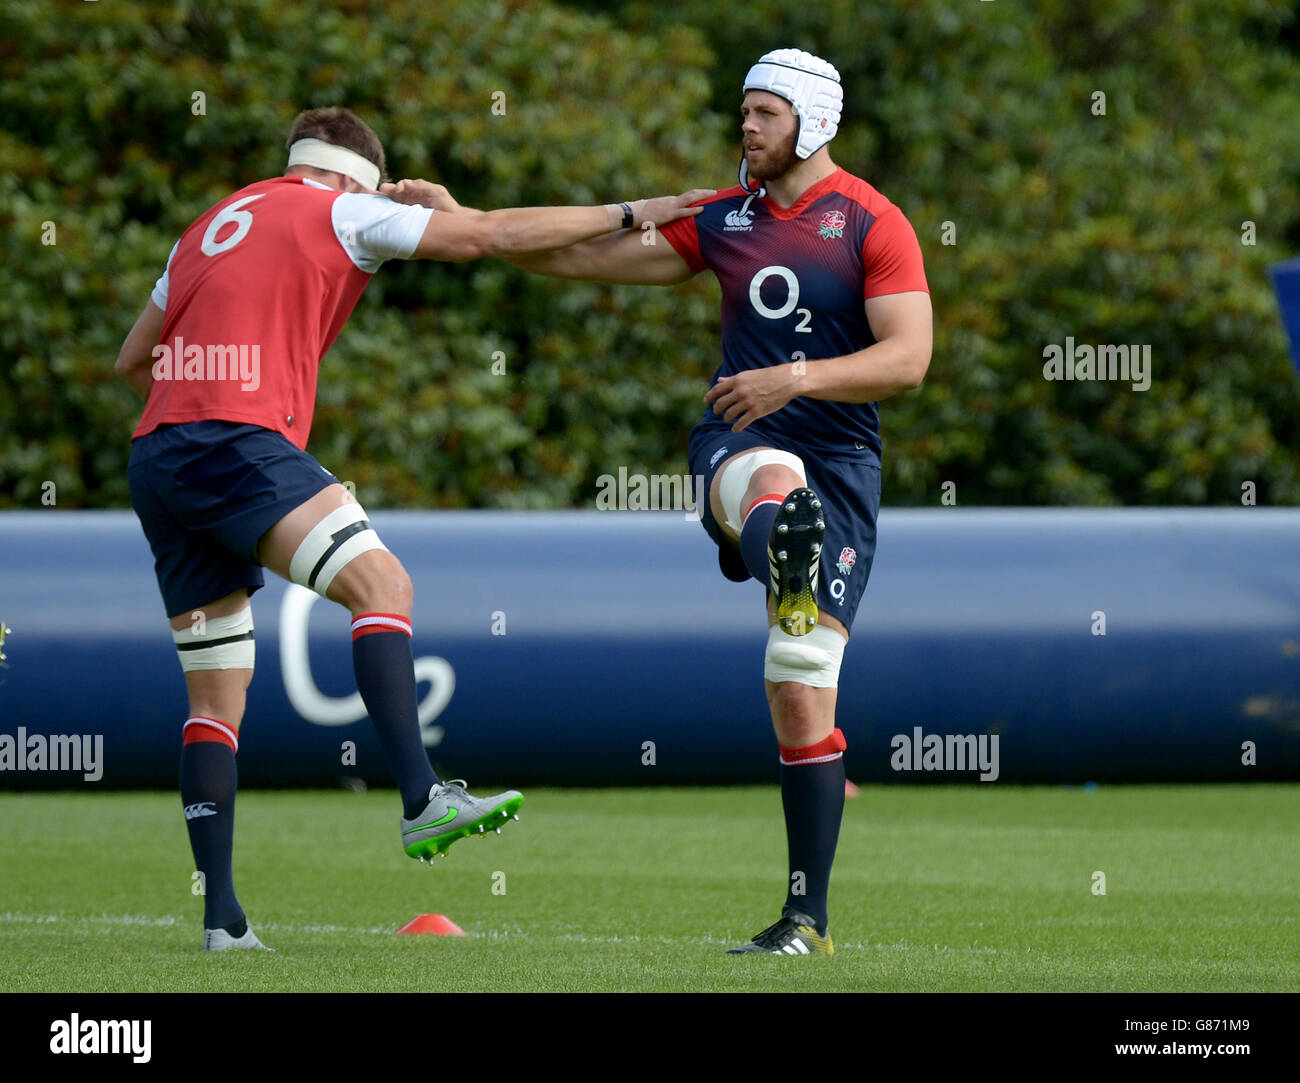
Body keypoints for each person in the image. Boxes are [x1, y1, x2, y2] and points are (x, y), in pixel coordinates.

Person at [114, 106, 709, 951]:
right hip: (235, 439)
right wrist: (631, 212)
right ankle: (423, 798)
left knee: (214, 703)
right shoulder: (343, 211)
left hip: (158, 457)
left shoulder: (207, 225)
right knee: (382, 585)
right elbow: (495, 237)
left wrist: (192, 426)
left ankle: (224, 923)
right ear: (358, 178)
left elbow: (132, 359)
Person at [489, 49, 933, 954]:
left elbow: (909, 358)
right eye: (746, 111)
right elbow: (585, 259)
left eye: (766, 113)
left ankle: (805, 921)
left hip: (843, 458)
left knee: (801, 684)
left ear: (811, 122)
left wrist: (796, 377)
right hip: (741, 433)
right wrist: (467, 226)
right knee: (766, 477)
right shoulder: (722, 218)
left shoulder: (874, 222)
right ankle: (778, 543)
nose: (747, 127)